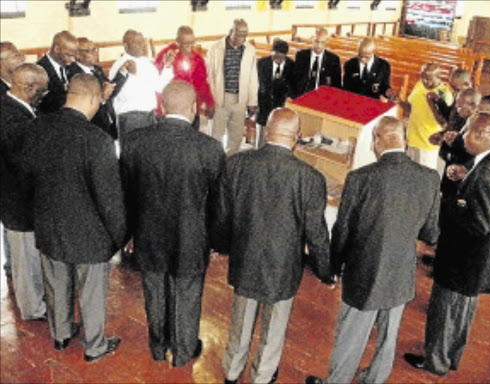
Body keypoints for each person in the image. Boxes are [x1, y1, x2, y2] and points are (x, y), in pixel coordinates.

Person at [306, 116, 441, 384]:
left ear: (378, 140)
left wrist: (332, 268)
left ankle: (338, 381)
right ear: (403, 140)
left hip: (364, 272)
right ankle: (375, 378)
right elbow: (430, 233)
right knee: (388, 336)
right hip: (401, 272)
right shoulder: (429, 177)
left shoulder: (360, 179)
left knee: (351, 335)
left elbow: (342, 231)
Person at [213, 108, 332, 384]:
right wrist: (326, 271)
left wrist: (222, 247)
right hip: (284, 265)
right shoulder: (311, 178)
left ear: (267, 132)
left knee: (240, 321)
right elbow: (316, 233)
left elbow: (221, 215)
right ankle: (263, 374)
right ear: (297, 137)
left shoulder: (237, 164)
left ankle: (232, 371)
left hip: (245, 257)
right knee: (274, 326)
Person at [19, 74, 126, 362]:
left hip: (49, 226)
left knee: (57, 285)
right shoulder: (97, 140)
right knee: (90, 293)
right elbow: (109, 198)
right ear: (93, 99)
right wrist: (119, 236)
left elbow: (26, 178)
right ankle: (94, 346)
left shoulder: (37, 128)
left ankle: (62, 334)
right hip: (89, 234)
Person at [120, 81, 225, 366]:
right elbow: (218, 203)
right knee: (188, 294)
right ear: (194, 109)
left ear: (161, 107)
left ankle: (158, 346)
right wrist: (217, 241)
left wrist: (126, 234)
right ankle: (183, 351)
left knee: (154, 291)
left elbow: (126, 195)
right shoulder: (210, 148)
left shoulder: (134, 142)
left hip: (148, 233)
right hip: (192, 236)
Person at [404, 113, 490, 376]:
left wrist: (447, 205)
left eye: (467, 133)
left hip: (462, 261)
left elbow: (479, 223)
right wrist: (464, 178)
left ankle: (435, 362)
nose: (462, 137)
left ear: (482, 135)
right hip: (482, 260)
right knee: (462, 314)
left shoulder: (486, 176)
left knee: (444, 313)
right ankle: (451, 356)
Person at [0, 64, 48, 321]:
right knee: (26, 260)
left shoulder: (11, 108)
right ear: (30, 88)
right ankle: (32, 308)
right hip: (19, 201)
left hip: (15, 199)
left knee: (27, 257)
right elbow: (24, 164)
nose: (45, 95)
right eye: (43, 90)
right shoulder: (14, 119)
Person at [206, 19, 259, 156]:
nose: (241, 39)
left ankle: (229, 163)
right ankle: (213, 165)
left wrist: (252, 102)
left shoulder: (250, 50)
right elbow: (209, 75)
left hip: (240, 99)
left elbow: (253, 77)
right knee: (215, 136)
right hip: (220, 97)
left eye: (244, 36)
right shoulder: (216, 48)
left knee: (235, 137)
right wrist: (209, 101)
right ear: (231, 31)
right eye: (239, 35)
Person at [109, 30, 174, 139]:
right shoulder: (120, 65)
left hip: (149, 116)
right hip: (131, 118)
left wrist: (167, 67)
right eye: (136, 42)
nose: (141, 46)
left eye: (142, 42)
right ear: (126, 45)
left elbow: (160, 87)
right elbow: (129, 94)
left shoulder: (146, 63)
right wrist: (135, 75)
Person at [392, 62, 454, 171]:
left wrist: (432, 104)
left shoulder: (444, 94)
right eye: (422, 77)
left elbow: (445, 123)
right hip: (412, 139)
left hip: (427, 144)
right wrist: (399, 102)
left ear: (438, 77)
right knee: (409, 173)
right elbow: (412, 108)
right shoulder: (420, 84)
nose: (424, 81)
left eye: (428, 79)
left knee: (424, 176)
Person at [66, 37, 127, 139]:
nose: (95, 53)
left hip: (109, 123)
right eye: (89, 50)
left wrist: (122, 72)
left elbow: (109, 92)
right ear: (77, 55)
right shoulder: (74, 74)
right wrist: (102, 98)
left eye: (96, 49)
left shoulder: (96, 69)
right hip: (93, 126)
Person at [0, 41, 25, 279]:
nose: (22, 57)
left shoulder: (13, 86)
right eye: (16, 55)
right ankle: (12, 270)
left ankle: (15, 268)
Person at [154, 26, 215, 124]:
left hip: (192, 110)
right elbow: (158, 85)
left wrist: (209, 102)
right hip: (173, 112)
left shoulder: (198, 59)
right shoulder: (166, 56)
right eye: (186, 43)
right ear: (177, 42)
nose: (190, 46)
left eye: (192, 42)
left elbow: (203, 82)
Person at [430, 88, 481, 195]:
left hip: (463, 174)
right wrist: (442, 137)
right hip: (450, 166)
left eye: (460, 107)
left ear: (474, 107)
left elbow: (475, 153)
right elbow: (452, 131)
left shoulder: (480, 127)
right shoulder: (461, 117)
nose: (457, 110)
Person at [256, 40, 295, 147]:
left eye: (281, 57)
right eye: (275, 56)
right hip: (264, 103)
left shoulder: (291, 66)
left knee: (277, 134)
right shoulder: (262, 63)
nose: (278, 59)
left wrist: (289, 98)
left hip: (281, 104)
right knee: (261, 136)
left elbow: (293, 86)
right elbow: (256, 85)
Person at [37, 31, 78, 114]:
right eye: (69, 55)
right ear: (57, 49)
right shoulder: (39, 70)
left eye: (74, 55)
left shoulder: (72, 67)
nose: (73, 60)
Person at [294, 28, 342, 97]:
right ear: (312, 40)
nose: (319, 45)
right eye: (316, 41)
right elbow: (295, 80)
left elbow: (337, 86)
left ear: (326, 43)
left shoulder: (333, 60)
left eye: (322, 42)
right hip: (302, 96)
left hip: (323, 98)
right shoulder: (301, 56)